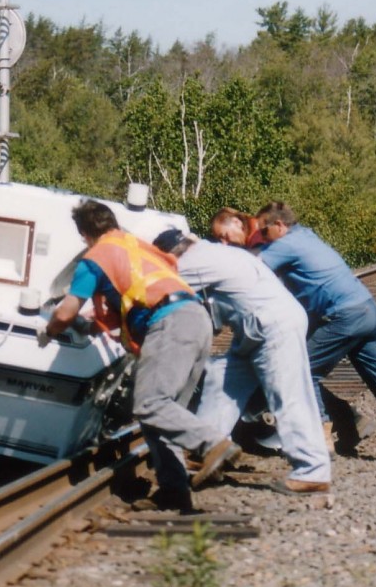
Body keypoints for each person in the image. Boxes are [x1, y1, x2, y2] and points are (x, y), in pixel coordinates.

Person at [41, 200, 239, 513]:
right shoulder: (136, 247)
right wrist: (95, 325)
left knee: (150, 404)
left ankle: (213, 444)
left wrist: (49, 331)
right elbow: (131, 301)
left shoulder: (95, 258)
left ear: (85, 235)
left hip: (170, 323)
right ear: (112, 224)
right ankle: (174, 490)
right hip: (195, 319)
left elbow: (65, 312)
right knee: (162, 415)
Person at [254, 201, 376, 470]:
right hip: (369, 312)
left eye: (264, 231)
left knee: (300, 370)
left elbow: (252, 270)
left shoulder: (285, 245)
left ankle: (319, 438)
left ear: (279, 226)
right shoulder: (308, 236)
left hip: (345, 317)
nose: (262, 238)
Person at [152, 228, 331, 495]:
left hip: (270, 326)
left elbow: (157, 291)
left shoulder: (191, 261)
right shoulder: (216, 251)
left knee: (288, 396)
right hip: (256, 327)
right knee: (220, 377)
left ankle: (313, 471)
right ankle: (209, 449)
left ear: (173, 253)